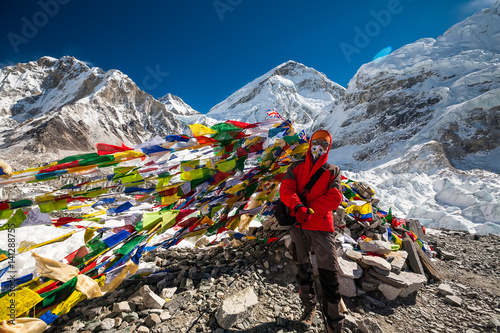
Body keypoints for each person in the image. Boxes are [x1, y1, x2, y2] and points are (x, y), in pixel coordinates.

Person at [279, 129, 344, 333]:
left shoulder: (332, 170)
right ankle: (309, 307)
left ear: (328, 147)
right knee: (302, 266)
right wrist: (298, 207)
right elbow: (286, 190)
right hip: (299, 224)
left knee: (329, 272)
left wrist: (308, 207)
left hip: (322, 225)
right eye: (316, 142)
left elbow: (335, 198)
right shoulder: (296, 167)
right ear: (310, 144)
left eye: (324, 144)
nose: (319, 147)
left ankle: (334, 322)